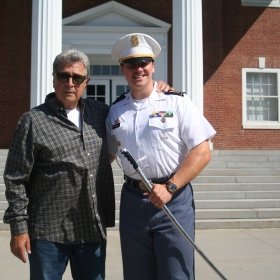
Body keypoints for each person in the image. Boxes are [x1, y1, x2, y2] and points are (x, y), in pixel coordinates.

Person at [3, 48, 173, 280]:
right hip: (47, 231)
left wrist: (159, 90)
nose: (70, 83)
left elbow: (135, 105)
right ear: (54, 79)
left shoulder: (101, 113)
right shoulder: (33, 121)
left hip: (90, 227)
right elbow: (15, 179)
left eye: (77, 78)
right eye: (63, 76)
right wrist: (19, 228)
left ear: (87, 82)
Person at [106, 33, 216, 280]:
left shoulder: (177, 101)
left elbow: (202, 150)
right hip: (133, 202)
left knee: (176, 274)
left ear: (153, 65)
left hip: (173, 199)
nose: (139, 69)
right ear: (123, 69)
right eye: (131, 64)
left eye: (144, 62)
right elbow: (107, 155)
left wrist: (171, 187)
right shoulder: (115, 110)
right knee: (137, 275)